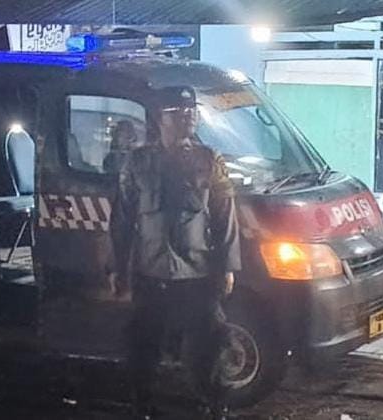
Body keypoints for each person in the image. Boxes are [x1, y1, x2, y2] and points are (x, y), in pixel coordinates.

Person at [110, 87, 241, 419]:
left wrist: (227, 267)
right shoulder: (138, 162)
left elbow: (225, 217)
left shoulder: (209, 160)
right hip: (151, 272)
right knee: (142, 349)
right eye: (179, 112)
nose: (189, 117)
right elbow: (122, 218)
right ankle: (143, 407)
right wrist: (118, 268)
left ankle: (214, 407)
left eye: (192, 111)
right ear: (160, 119)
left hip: (198, 274)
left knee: (208, 350)